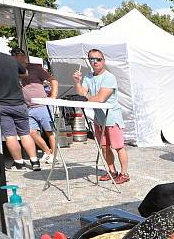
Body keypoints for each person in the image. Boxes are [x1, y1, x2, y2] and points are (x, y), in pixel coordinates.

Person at [72, 48, 129, 184]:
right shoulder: (88, 76)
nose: (95, 62)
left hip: (112, 117)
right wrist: (77, 82)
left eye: (98, 59)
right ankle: (112, 171)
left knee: (118, 146)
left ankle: (125, 173)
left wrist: (85, 98)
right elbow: (81, 93)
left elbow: (100, 98)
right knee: (104, 147)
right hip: (99, 118)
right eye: (92, 59)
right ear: (89, 61)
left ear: (104, 61)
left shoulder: (109, 77)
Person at [12, 49, 58, 164]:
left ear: (24, 56)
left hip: (42, 105)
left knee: (49, 132)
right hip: (28, 107)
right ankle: (47, 151)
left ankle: (54, 155)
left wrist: (53, 97)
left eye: (19, 55)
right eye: (14, 55)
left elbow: (53, 80)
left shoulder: (35, 68)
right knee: (31, 132)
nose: (17, 57)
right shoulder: (12, 70)